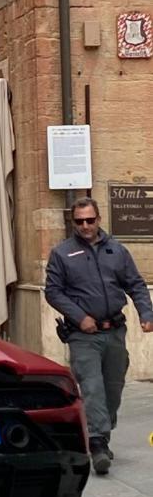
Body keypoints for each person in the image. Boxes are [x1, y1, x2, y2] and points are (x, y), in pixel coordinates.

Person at [45, 197, 153, 475]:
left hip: (114, 331)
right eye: (79, 221)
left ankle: (102, 435)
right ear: (73, 222)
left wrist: (146, 313)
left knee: (113, 388)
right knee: (92, 387)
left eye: (90, 220)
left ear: (98, 219)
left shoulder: (116, 250)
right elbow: (53, 291)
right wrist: (80, 317)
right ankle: (96, 444)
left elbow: (136, 284)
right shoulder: (62, 253)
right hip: (83, 336)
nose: (85, 226)